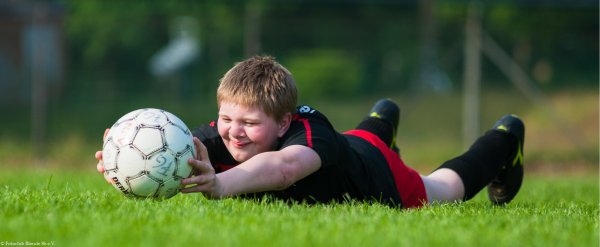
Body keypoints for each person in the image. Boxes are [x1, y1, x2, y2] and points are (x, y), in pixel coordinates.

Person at [95, 55, 524, 208]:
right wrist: (125, 161)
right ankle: (382, 117)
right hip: (352, 145)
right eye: (227, 119)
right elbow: (174, 148)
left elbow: (283, 168)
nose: (234, 133)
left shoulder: (308, 133)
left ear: (284, 123)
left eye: (249, 124)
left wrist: (219, 185)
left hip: (373, 171)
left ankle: (506, 138)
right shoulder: (217, 136)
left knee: (443, 190)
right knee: (367, 135)